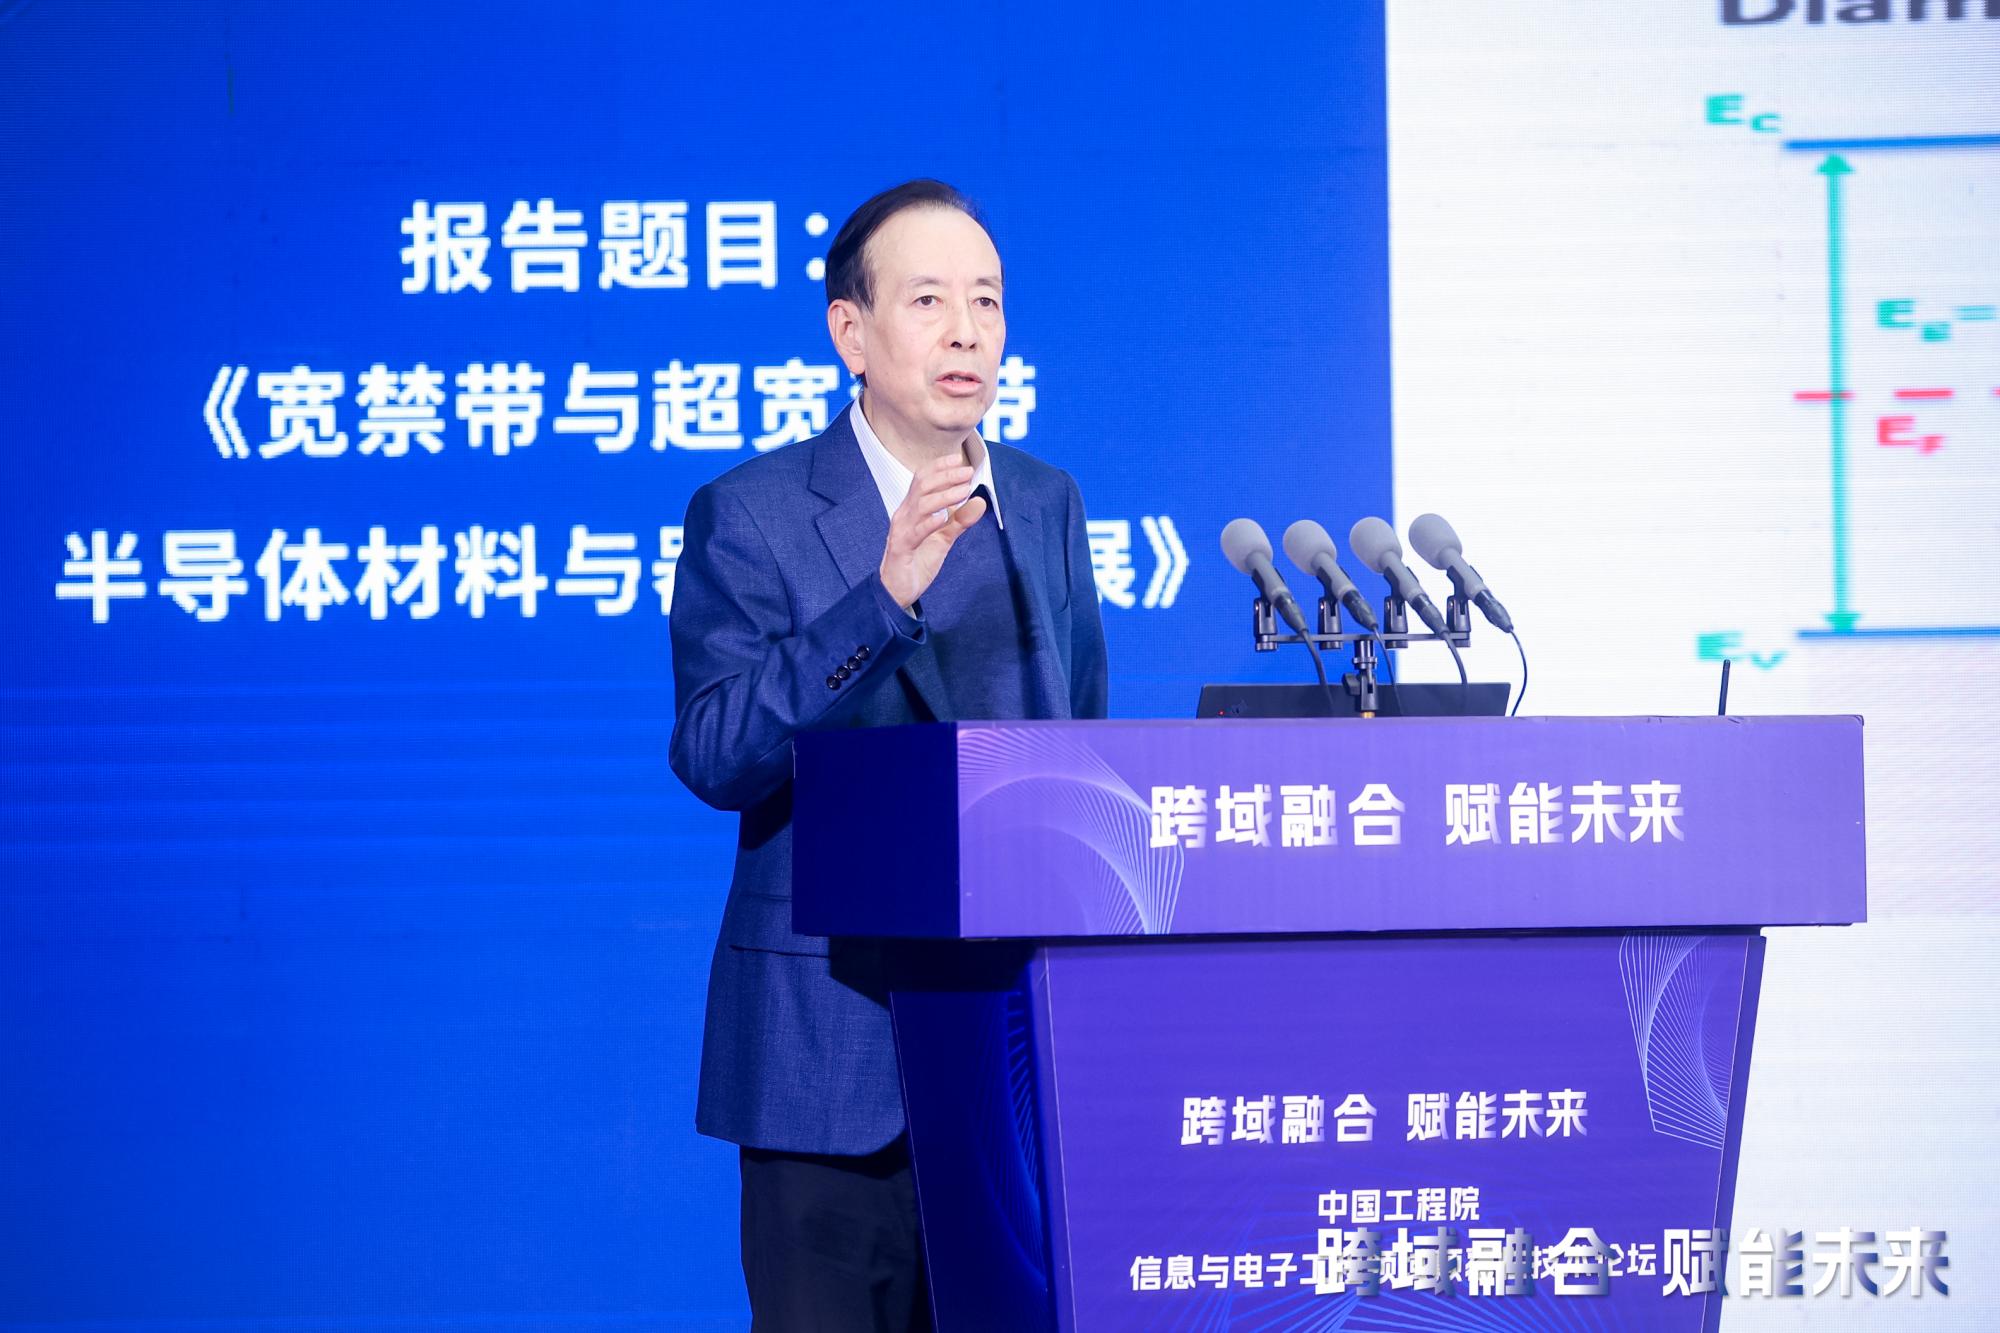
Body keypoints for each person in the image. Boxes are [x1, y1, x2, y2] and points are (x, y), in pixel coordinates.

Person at [667, 179, 1109, 1331]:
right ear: (850, 332)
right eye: (928, 301)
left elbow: (1083, 746)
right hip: (829, 1066)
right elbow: (715, 753)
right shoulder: (751, 512)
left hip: (1015, 1070)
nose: (967, 332)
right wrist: (881, 601)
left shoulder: (1044, 503)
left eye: (986, 301)